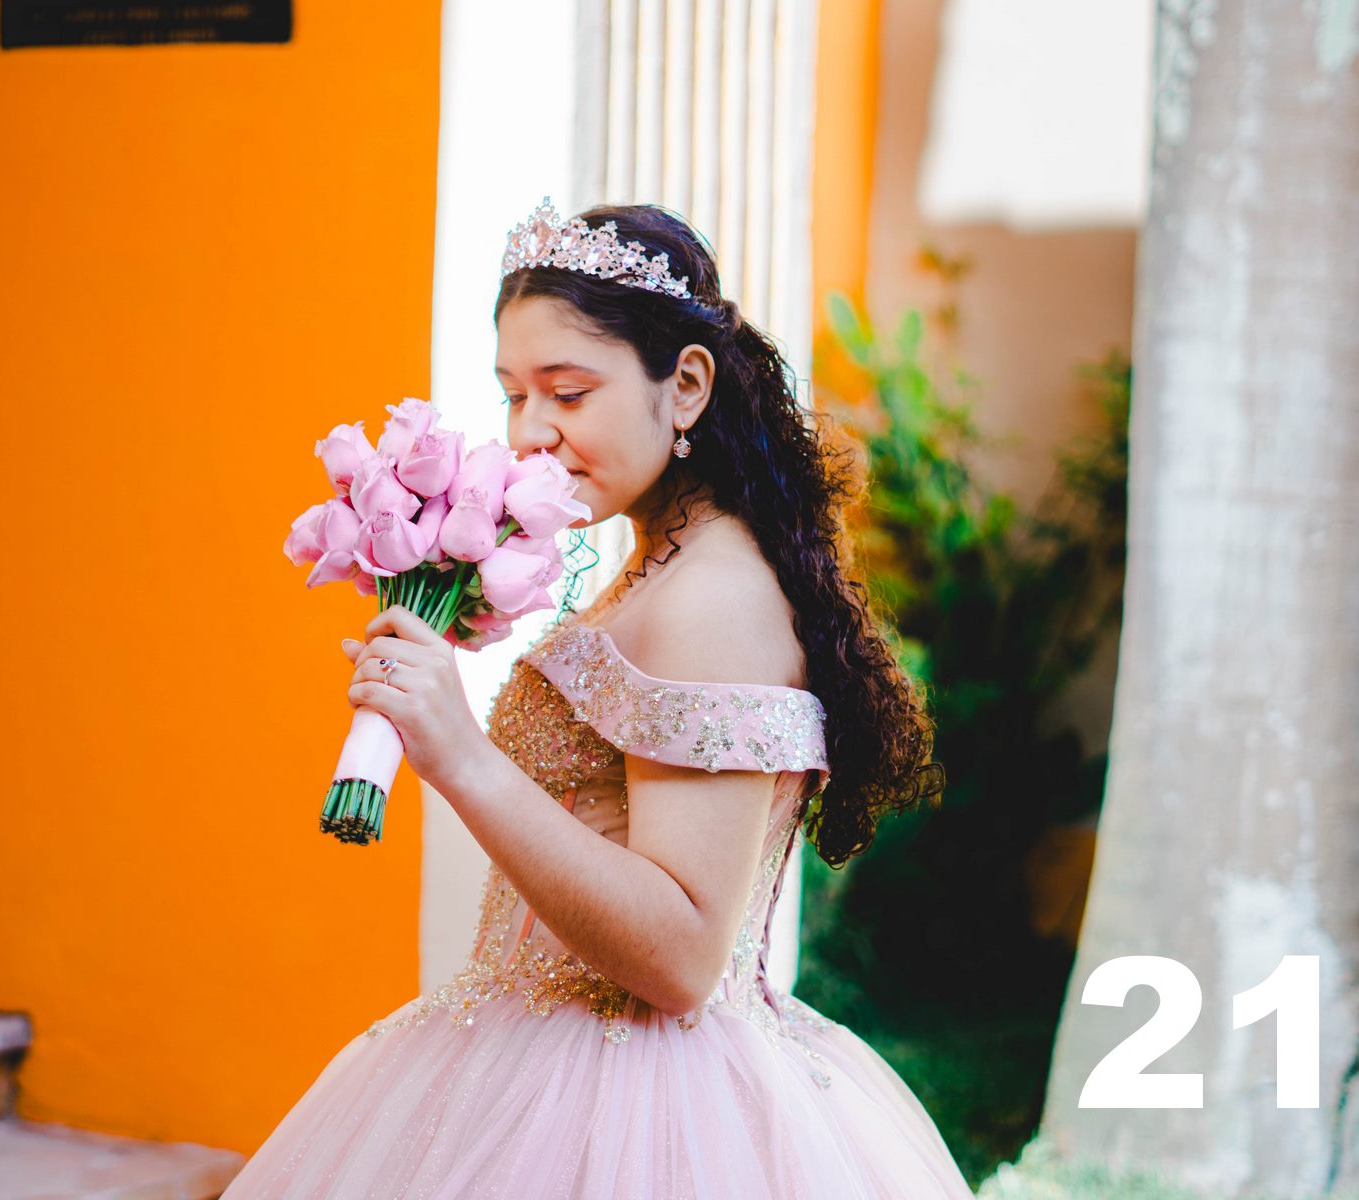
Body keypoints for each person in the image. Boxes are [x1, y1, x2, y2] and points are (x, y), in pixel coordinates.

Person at [221, 199, 970, 1198]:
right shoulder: (655, 563)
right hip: (526, 1061)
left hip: (641, 1111)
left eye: (568, 392)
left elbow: (682, 957)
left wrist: (459, 753)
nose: (531, 432)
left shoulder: (713, 598)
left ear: (686, 385)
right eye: (513, 395)